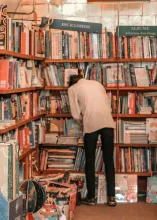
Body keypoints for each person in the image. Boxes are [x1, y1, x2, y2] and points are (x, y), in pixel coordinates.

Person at [68, 75, 116, 207]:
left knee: (90, 160)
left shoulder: (72, 89)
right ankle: (111, 197)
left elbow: (75, 114)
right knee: (109, 160)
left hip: (91, 124)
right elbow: (107, 105)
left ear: (71, 83)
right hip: (108, 121)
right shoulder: (97, 83)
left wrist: (81, 122)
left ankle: (91, 198)